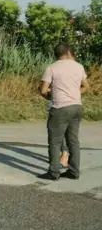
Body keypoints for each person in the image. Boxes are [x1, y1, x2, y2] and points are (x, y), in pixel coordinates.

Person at [38, 43, 89, 180]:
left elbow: (43, 90)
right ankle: (74, 172)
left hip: (60, 108)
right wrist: (74, 94)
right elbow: (85, 86)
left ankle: (53, 172)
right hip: (77, 106)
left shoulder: (51, 68)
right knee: (73, 141)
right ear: (68, 53)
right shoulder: (79, 66)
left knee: (55, 142)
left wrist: (50, 95)